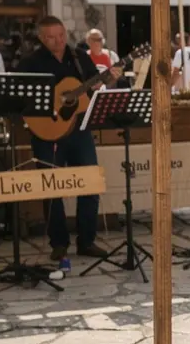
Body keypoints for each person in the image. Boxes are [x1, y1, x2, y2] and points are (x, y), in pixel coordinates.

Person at [17, 16, 122, 260]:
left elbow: (92, 87)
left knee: (90, 184)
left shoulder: (79, 57)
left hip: (79, 130)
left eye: (62, 35)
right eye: (52, 37)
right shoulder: (30, 62)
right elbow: (22, 99)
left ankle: (87, 241)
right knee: (51, 188)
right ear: (42, 38)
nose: (59, 40)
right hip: (46, 133)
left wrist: (108, 80)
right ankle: (59, 243)